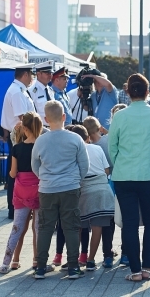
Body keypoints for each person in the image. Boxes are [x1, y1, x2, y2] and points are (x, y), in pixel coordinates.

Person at [109, 73, 150, 281]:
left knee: (130, 223)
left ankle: (134, 270)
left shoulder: (119, 116)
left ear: (127, 92)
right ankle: (147, 267)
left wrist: (121, 164)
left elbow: (112, 147)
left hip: (124, 175)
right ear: (147, 92)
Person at [31, 101, 89, 280]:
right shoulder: (75, 138)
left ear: (46, 119)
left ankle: (40, 267)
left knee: (45, 227)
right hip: (70, 188)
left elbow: (34, 165)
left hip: (47, 189)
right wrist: (75, 180)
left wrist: (45, 177)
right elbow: (84, 166)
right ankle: (73, 267)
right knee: (71, 226)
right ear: (64, 117)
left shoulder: (41, 140)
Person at [0, 112, 42, 273]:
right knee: (38, 228)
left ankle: (8, 262)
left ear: (24, 128)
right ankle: (38, 261)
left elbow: (12, 173)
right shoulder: (41, 146)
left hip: (21, 192)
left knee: (17, 227)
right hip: (39, 190)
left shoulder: (16, 148)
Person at [69, 124, 114, 272]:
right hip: (102, 190)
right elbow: (107, 170)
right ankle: (90, 260)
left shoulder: (74, 151)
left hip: (83, 191)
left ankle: (75, 259)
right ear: (88, 137)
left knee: (78, 228)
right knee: (97, 228)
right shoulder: (97, 148)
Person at [2, 64, 36, 219]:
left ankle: (19, 206)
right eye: (31, 75)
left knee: (19, 172)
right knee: (16, 173)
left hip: (22, 135)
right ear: (26, 75)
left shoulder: (19, 90)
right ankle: (14, 208)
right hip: (19, 137)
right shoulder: (16, 92)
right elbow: (23, 118)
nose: (32, 78)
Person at [82, 117, 116, 268]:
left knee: (83, 225)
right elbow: (108, 168)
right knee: (107, 223)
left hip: (86, 189)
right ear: (99, 128)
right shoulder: (108, 141)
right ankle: (107, 254)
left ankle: (83, 256)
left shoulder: (85, 148)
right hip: (109, 185)